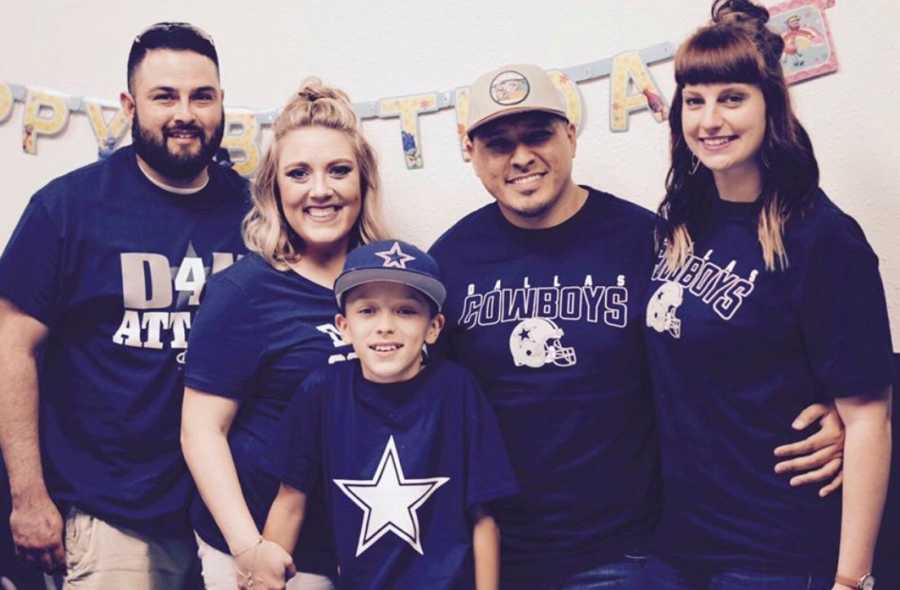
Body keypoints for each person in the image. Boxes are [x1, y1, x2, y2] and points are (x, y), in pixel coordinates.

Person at [428, 62, 848, 589]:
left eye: (538, 135)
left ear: (571, 137)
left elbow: (726, 340)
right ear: (471, 152)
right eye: (498, 144)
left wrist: (838, 404)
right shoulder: (447, 261)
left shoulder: (650, 240)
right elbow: (420, 394)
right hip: (495, 551)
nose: (521, 157)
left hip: (626, 552)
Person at [643, 1, 894, 589]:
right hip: (678, 542)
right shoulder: (680, 221)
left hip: (774, 551)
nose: (710, 119)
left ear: (771, 104)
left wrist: (851, 580)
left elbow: (868, 420)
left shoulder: (822, 236)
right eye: (695, 99)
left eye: (732, 97)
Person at [0, 22, 248, 589]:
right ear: (129, 105)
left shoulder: (254, 210)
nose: (184, 112)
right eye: (165, 96)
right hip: (111, 510)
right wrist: (28, 497)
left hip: (230, 509)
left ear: (221, 103)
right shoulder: (67, 208)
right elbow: (11, 348)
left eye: (201, 96)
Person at [180, 79, 387, 590]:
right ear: (275, 190)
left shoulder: (391, 288)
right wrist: (248, 549)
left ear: (363, 182)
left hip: (365, 545)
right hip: (271, 556)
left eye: (338, 170)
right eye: (299, 173)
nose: (321, 190)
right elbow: (201, 432)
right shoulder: (243, 292)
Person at [258, 240, 518, 590]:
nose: (385, 326)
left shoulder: (458, 390)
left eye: (405, 311)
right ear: (343, 326)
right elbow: (290, 502)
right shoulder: (321, 391)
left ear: (434, 326)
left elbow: (484, 518)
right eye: (367, 311)